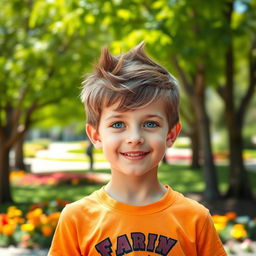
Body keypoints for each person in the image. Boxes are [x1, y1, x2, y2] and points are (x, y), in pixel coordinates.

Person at [48, 43, 227, 256]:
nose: (134, 138)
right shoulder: (76, 219)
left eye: (150, 124)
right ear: (96, 135)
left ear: (171, 134)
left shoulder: (195, 218)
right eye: (118, 124)